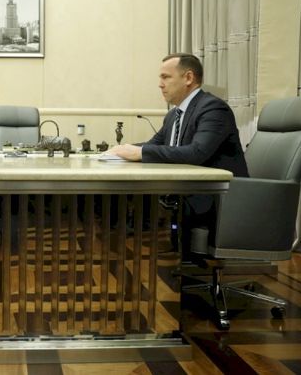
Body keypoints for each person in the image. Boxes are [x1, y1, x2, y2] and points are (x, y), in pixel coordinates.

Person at [106, 53, 249, 252]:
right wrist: (118, 151)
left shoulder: (213, 108)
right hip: (188, 195)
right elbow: (153, 145)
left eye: (166, 77)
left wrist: (140, 152)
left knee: (134, 200)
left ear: (188, 78)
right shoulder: (174, 114)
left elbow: (197, 152)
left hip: (218, 199)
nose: (160, 84)